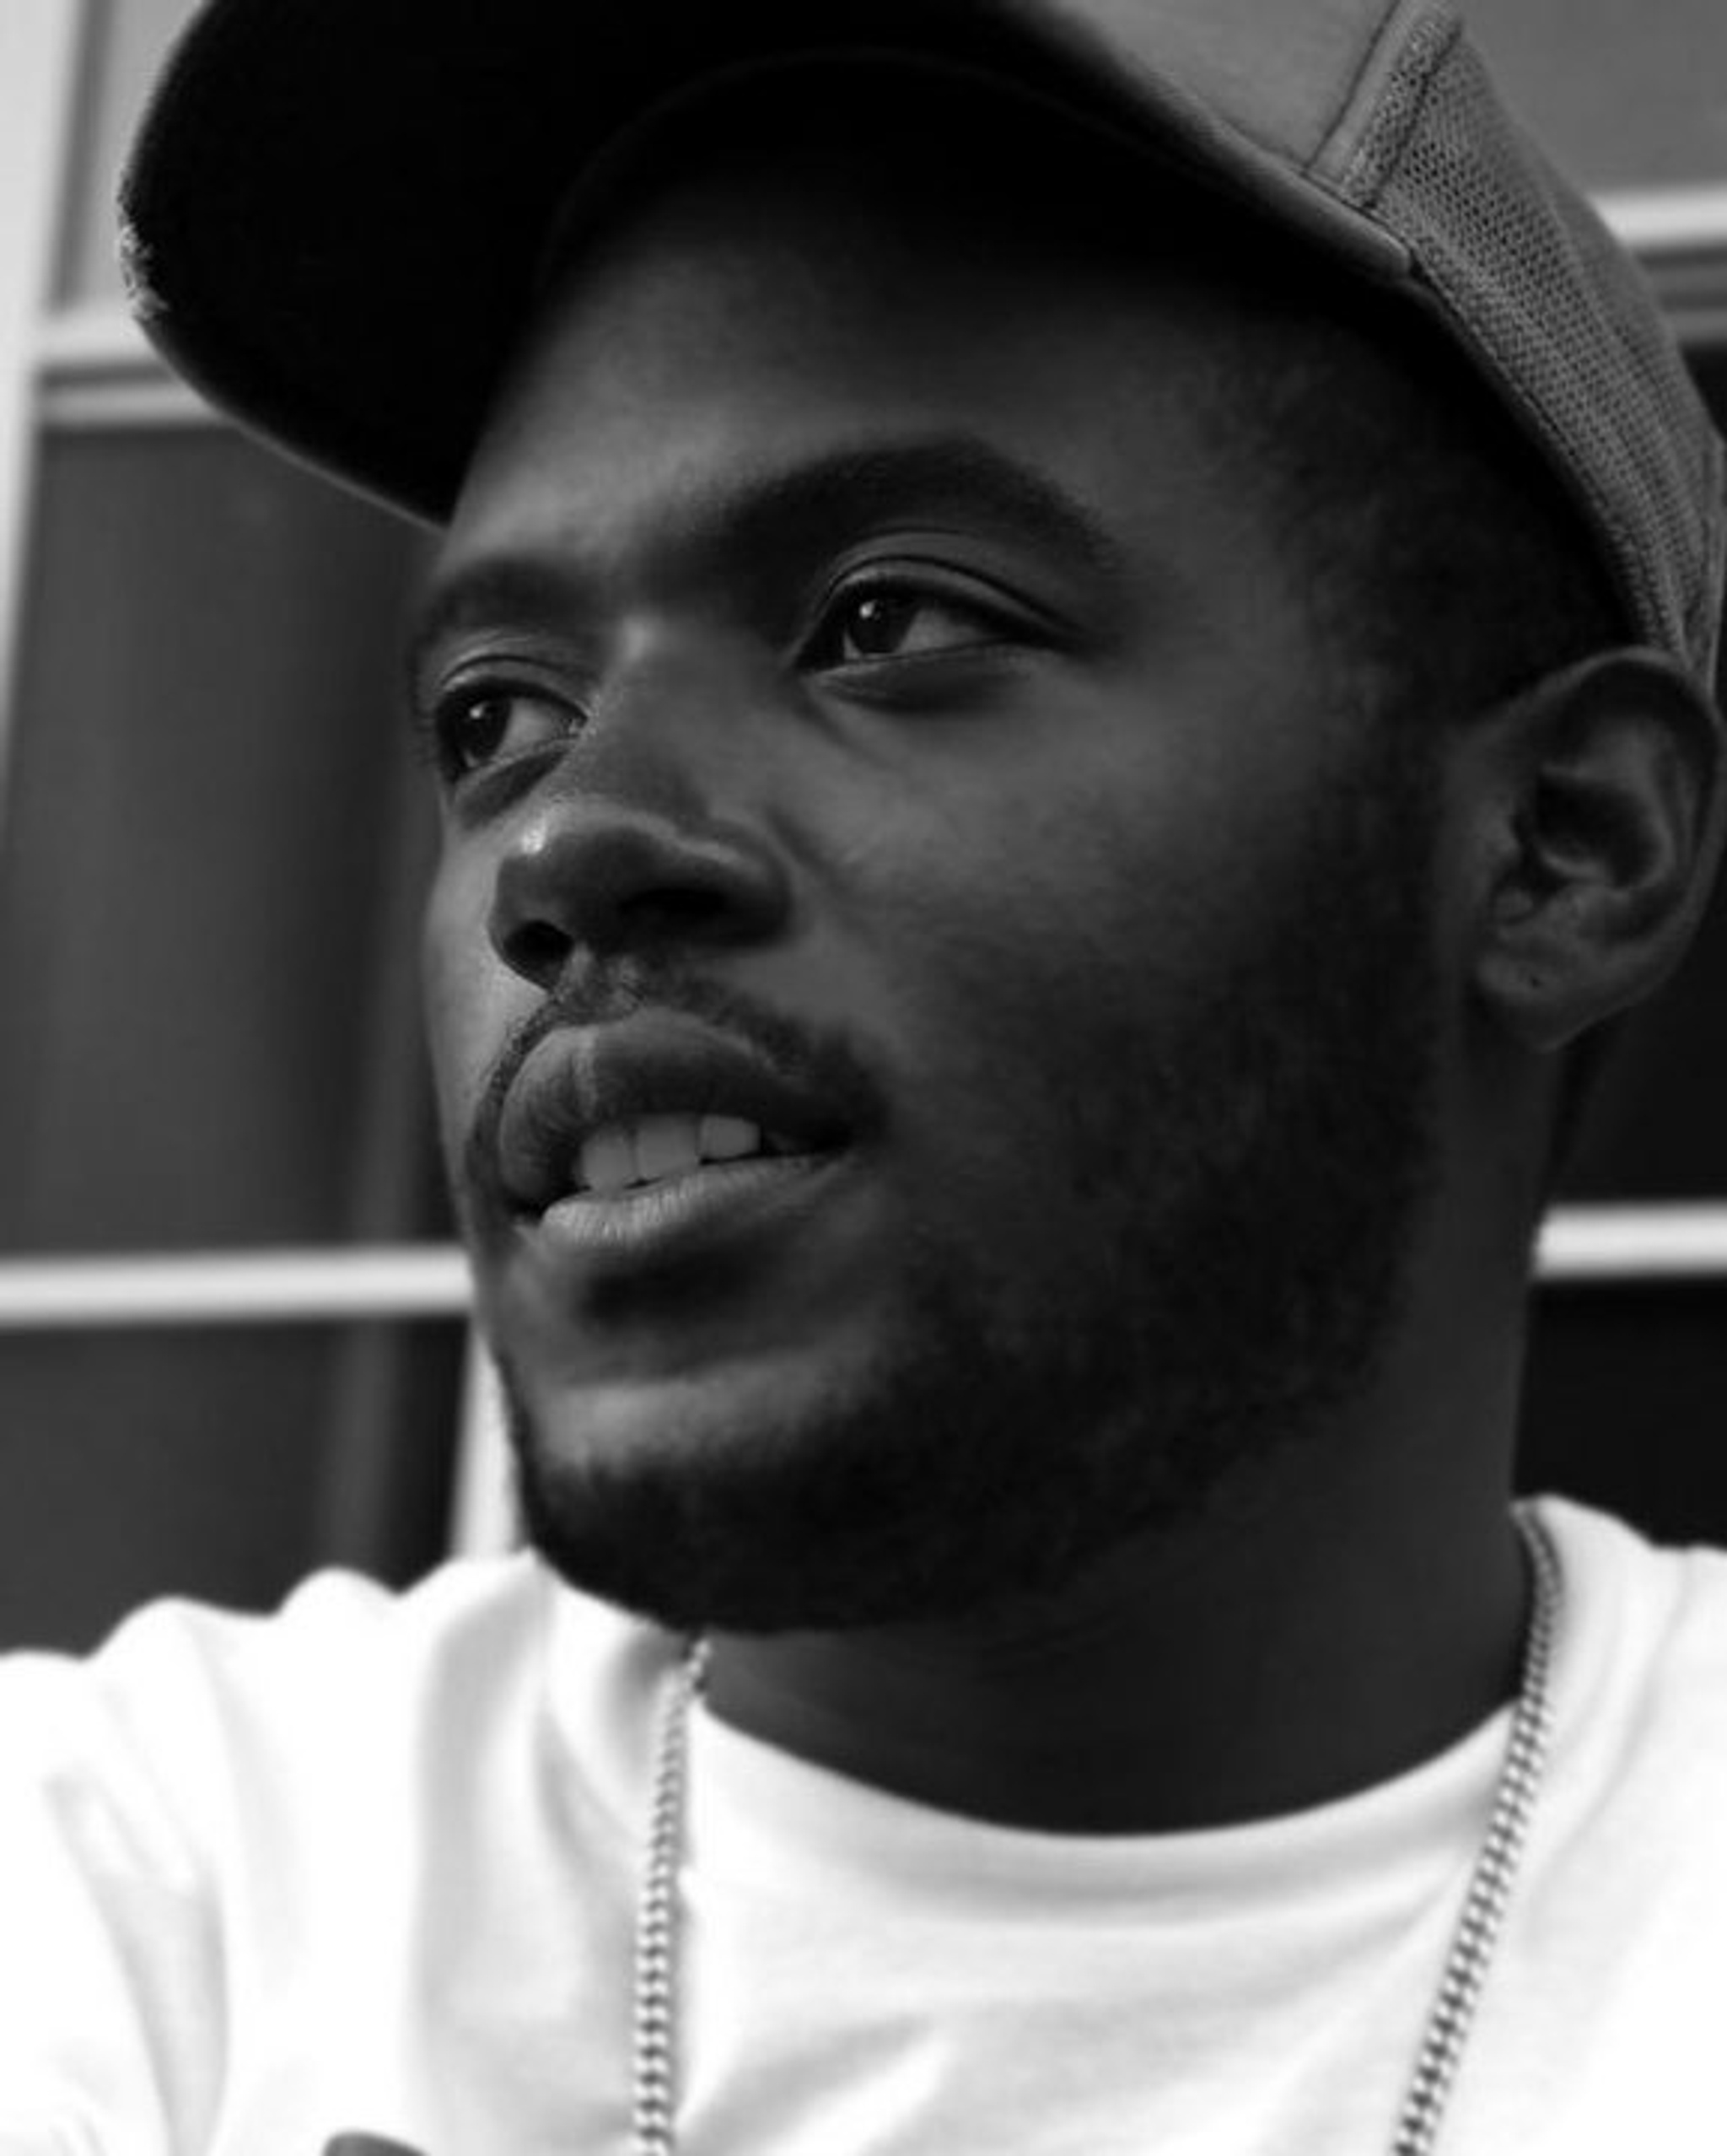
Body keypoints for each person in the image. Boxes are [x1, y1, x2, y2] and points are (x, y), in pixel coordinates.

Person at [3, 0, 1725, 2148]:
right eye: (492, 715)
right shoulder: (147, 1910)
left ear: (1567, 848)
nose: (562, 846)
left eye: (889, 623)